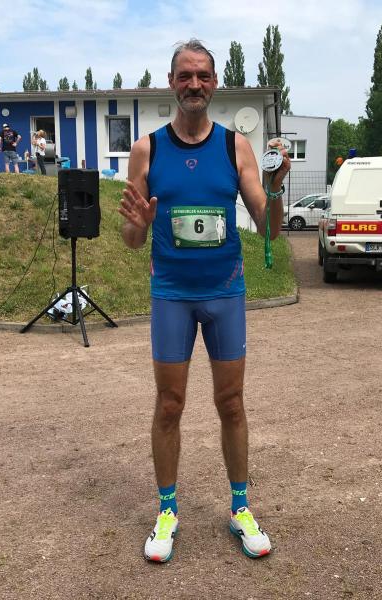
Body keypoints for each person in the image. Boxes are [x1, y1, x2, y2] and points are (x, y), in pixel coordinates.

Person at [118, 39, 289, 564]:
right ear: (172, 83)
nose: (195, 84)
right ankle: (167, 510)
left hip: (224, 292)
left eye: (203, 76)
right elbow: (131, 239)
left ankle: (240, 508)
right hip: (172, 293)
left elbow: (268, 228)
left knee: (231, 402)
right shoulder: (146, 149)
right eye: (185, 75)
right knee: (169, 404)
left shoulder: (235, 147)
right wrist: (139, 224)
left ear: (215, 84)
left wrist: (276, 188)